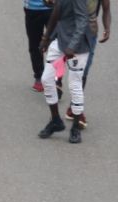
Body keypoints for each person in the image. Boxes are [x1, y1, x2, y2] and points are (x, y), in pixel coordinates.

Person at [38, 0, 93, 144]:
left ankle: (75, 128)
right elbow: (55, 15)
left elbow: (82, 19)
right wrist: (46, 38)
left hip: (78, 46)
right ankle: (56, 120)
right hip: (60, 40)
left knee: (74, 84)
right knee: (46, 79)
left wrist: (73, 46)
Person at [25, 0, 53, 91]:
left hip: (54, 8)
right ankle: (39, 77)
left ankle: (55, 78)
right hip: (33, 9)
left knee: (56, 45)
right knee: (35, 45)